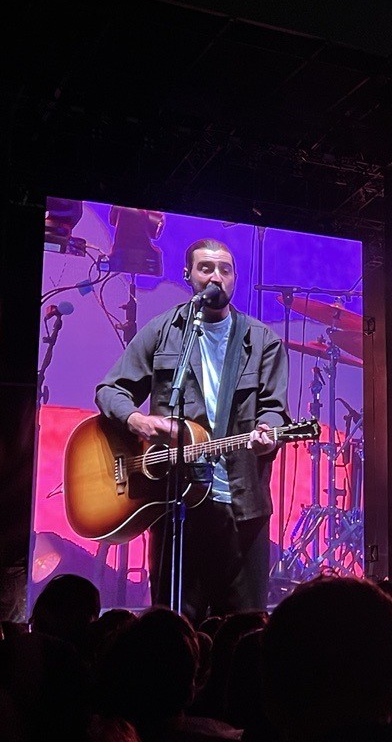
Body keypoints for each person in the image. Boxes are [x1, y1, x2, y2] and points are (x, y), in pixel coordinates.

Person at [95, 238, 290, 624]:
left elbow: (276, 413)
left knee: (243, 629)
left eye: (225, 269)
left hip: (241, 509)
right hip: (175, 505)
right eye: (206, 268)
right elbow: (110, 390)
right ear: (189, 276)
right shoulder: (163, 331)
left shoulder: (262, 341)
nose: (216, 276)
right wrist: (140, 420)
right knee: (174, 629)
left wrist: (270, 432)